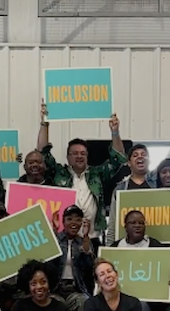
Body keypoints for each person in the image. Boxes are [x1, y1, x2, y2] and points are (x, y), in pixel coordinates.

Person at [105, 96, 170, 244]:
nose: (140, 157)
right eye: (135, 155)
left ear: (149, 160)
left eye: (144, 155)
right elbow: (112, 225)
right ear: (129, 163)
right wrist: (109, 251)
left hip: (154, 244)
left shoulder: (157, 180)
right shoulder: (120, 190)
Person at [39, 105, 125, 245]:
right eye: (75, 153)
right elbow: (43, 154)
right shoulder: (59, 173)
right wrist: (44, 123)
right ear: (67, 157)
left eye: (83, 153)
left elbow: (118, 159)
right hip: (64, 238)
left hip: (92, 238)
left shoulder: (97, 174)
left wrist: (115, 132)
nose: (79, 156)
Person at [54, 205, 95, 311]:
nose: (74, 223)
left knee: (84, 302)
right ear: (63, 221)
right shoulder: (55, 238)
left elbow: (89, 269)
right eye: (70, 219)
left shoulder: (84, 242)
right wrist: (54, 232)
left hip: (75, 290)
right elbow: (48, 265)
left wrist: (86, 241)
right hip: (55, 290)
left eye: (78, 219)